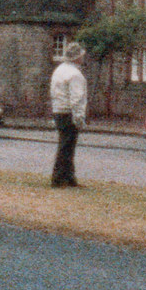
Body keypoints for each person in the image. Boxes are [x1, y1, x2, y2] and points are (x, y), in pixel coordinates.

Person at [50, 42, 87, 187]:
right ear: (77, 57)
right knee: (67, 147)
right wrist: (79, 117)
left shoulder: (59, 70)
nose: (83, 58)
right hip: (69, 113)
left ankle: (69, 177)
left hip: (58, 110)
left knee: (65, 145)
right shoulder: (75, 74)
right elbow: (77, 99)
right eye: (81, 55)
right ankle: (58, 178)